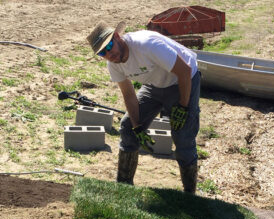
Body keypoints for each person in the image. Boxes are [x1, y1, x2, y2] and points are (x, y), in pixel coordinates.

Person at [86, 21, 201, 193]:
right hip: (154, 85)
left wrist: (183, 107)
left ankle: (190, 193)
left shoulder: (147, 45)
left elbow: (184, 71)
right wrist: (137, 126)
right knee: (128, 128)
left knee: (183, 135)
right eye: (102, 52)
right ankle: (124, 188)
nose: (109, 54)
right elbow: (129, 95)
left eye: (109, 46)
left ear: (117, 37)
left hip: (182, 80)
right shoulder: (113, 65)